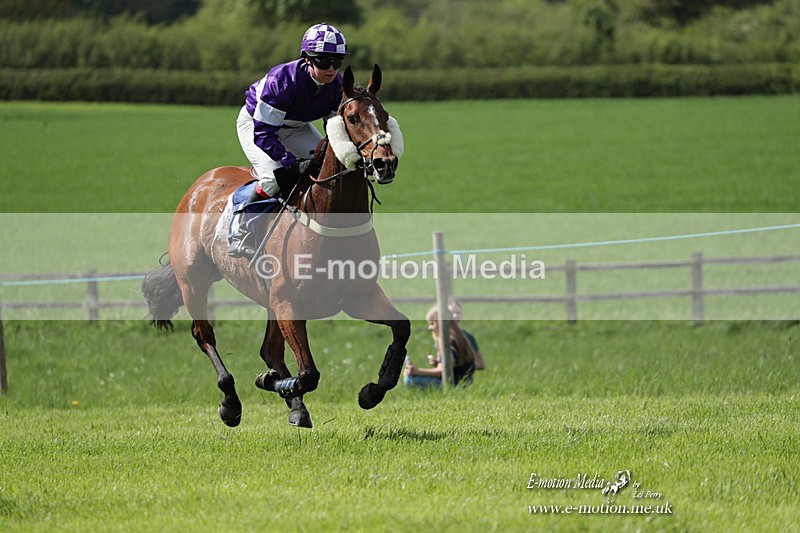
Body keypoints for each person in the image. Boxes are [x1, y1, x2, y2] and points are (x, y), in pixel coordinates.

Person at [228, 22, 348, 258]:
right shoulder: (282, 81)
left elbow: (334, 126)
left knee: (326, 165)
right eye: (324, 62)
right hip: (256, 126)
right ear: (307, 59)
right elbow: (264, 134)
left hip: (296, 126)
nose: (332, 69)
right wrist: (290, 162)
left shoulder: (336, 84)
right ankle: (240, 227)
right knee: (275, 176)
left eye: (337, 62)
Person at [404, 304, 485, 388]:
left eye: (432, 323)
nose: (429, 328)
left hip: (454, 385)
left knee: (410, 379)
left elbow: (442, 371)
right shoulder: (459, 337)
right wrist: (439, 363)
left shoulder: (448, 342)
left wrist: (417, 371)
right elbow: (452, 367)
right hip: (463, 383)